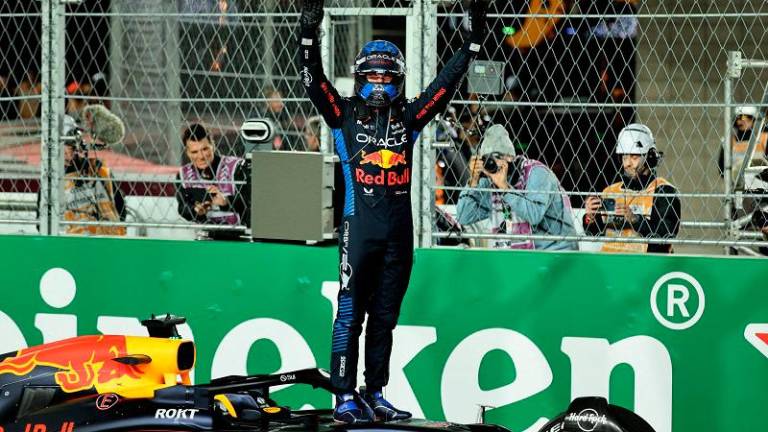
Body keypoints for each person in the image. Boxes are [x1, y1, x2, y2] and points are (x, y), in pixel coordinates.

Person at [298, 0, 488, 423]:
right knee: (350, 312)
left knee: (386, 317)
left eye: (388, 74)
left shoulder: (409, 115)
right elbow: (313, 82)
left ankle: (376, 391)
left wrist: (473, 43)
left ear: (398, 78)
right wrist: (309, 32)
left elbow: (444, 85)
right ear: (362, 76)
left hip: (400, 234)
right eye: (374, 74)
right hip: (357, 229)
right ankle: (343, 397)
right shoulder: (342, 113)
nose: (381, 81)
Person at [456, 125, 578, 250]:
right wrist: (473, 181)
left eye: (496, 157)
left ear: (510, 157)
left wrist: (505, 188)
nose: (491, 163)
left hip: (557, 250)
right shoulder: (489, 180)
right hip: (524, 258)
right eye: (487, 159)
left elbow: (534, 215)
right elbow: (464, 217)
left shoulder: (537, 173)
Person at [583, 123, 680, 253]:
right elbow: (594, 234)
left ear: (649, 157)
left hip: (647, 266)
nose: (627, 163)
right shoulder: (611, 191)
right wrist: (591, 217)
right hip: (610, 265)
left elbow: (666, 235)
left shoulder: (663, 191)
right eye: (624, 157)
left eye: (634, 157)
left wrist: (635, 219)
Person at [175, 123, 249, 240]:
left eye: (205, 149)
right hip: (205, 237)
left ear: (213, 145)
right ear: (188, 153)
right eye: (194, 152)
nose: (201, 156)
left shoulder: (236, 167)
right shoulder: (183, 174)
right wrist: (196, 211)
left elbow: (251, 204)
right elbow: (182, 208)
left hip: (239, 237)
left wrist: (226, 202)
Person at [61, 108, 126, 236]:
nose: (73, 150)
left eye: (75, 144)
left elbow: (120, 205)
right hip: (86, 243)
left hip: (101, 241)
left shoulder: (98, 170)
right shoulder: (98, 170)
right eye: (69, 144)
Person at [718, 105, 767, 183]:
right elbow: (722, 169)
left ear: (754, 120)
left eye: (745, 117)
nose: (741, 121)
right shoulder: (728, 140)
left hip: (761, 184)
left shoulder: (765, 137)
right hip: (737, 185)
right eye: (739, 118)